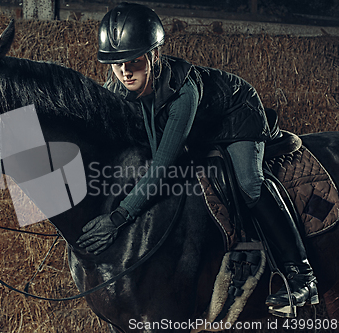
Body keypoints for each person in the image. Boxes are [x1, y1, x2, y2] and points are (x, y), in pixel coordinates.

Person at [76, 2, 318, 310]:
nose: (125, 71)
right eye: (116, 63)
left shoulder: (183, 94)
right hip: (201, 127)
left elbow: (163, 164)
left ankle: (302, 274)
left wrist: (119, 217)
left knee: (248, 184)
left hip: (235, 115)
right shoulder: (117, 87)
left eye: (134, 60)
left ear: (154, 55)